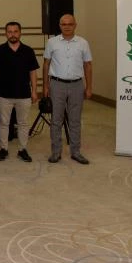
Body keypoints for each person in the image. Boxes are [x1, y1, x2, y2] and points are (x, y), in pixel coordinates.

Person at [43, 14, 93, 165]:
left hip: (77, 85)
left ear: (75, 25)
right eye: (63, 24)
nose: (67, 27)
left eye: (70, 24)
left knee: (75, 120)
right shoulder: (51, 42)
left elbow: (88, 65)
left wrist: (89, 87)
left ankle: (76, 152)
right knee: (56, 120)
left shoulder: (83, 43)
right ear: (60, 26)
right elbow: (46, 64)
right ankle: (55, 152)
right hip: (56, 85)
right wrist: (45, 86)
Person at [0, 21, 39, 163]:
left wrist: (35, 91)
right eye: (10, 32)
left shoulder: (28, 51)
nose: (13, 34)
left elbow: (33, 72)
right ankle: (4, 149)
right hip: (3, 94)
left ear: (20, 33)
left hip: (24, 94)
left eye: (15, 31)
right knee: (3, 123)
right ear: (6, 33)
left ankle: (22, 149)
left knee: (23, 123)